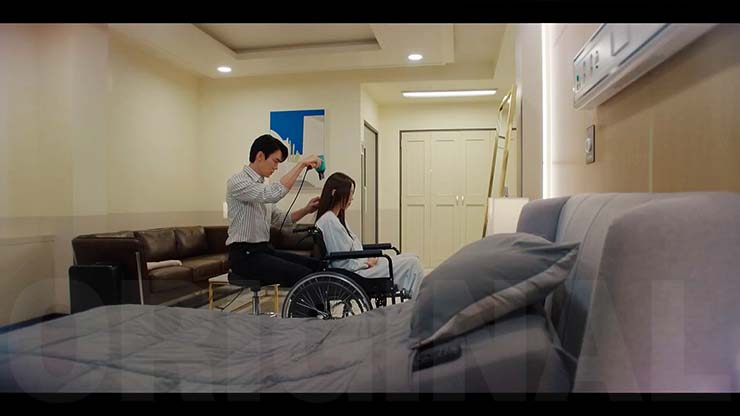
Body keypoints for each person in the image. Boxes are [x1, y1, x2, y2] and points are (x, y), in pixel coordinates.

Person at [225, 134, 322, 287]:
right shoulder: (237, 182)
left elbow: (281, 218)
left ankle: (323, 302)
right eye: (275, 161)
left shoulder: (261, 186)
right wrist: (301, 165)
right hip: (244, 257)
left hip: (263, 250)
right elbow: (273, 193)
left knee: (315, 266)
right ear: (260, 156)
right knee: (303, 275)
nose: (276, 167)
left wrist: (306, 210)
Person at [314, 172, 424, 298]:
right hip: (358, 274)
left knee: (413, 257)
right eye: (350, 193)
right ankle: (420, 305)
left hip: (361, 266)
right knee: (412, 264)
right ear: (335, 193)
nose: (351, 199)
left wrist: (368, 260)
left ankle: (417, 301)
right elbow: (341, 263)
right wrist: (367, 262)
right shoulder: (329, 221)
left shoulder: (336, 219)